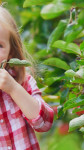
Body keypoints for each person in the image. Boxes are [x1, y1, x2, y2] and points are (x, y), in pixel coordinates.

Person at [0, 5, 54, 150]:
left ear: (11, 53)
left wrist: (14, 89)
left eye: (0, 45)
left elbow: (45, 123)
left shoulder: (22, 82)